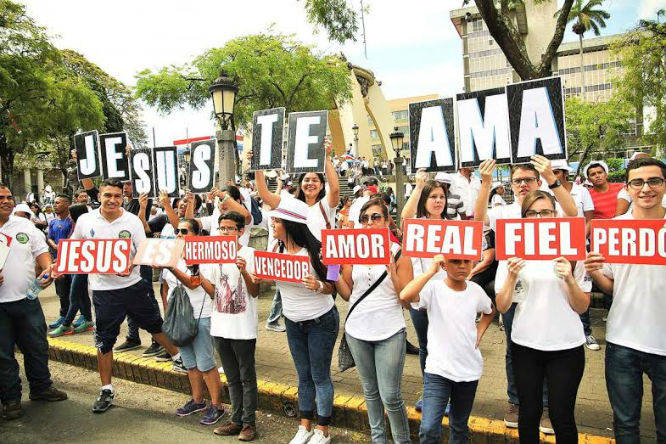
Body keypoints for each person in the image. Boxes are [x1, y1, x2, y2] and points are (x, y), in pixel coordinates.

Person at [474, 156, 577, 431]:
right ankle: (516, 400)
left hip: (551, 294)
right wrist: (485, 184)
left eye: (528, 179)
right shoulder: (504, 212)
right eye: (517, 180)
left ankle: (546, 405)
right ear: (511, 184)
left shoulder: (552, 205)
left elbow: (573, 213)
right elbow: (477, 220)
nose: (522, 184)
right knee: (515, 348)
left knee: (548, 347)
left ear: (537, 181)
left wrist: (553, 180)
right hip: (516, 291)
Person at [68, 178, 182, 413]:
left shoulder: (131, 221)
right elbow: (74, 247)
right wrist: (60, 266)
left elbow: (143, 250)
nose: (112, 200)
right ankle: (106, 389)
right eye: (107, 195)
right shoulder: (85, 220)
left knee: (156, 326)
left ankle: (181, 360)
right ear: (99, 195)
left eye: (117, 196)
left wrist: (131, 265)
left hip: (134, 286)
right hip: (103, 291)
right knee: (104, 340)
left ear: (123, 197)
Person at [495, 190, 589, 443]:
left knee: (561, 416)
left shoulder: (571, 248)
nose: (539, 218)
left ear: (555, 214)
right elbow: (502, 306)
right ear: (523, 217)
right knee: (529, 413)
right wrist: (512, 275)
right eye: (532, 213)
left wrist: (569, 278)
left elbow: (582, 306)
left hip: (566, 346)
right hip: (526, 345)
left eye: (545, 212)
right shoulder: (512, 251)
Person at [585, 157, 666, 443]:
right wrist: (594, 273)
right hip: (622, 343)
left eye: (653, 181)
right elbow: (611, 288)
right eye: (638, 182)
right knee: (626, 426)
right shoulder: (613, 229)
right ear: (628, 189)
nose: (646, 188)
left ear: (664, 186)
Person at [333, 197, 413, 444]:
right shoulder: (353, 251)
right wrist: (332, 269)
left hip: (389, 331)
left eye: (376, 217)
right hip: (358, 330)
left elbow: (408, 300)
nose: (369, 223)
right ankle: (378, 439)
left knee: (390, 396)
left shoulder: (399, 252)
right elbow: (347, 294)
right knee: (370, 392)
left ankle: (401, 441)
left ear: (387, 221)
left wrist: (392, 272)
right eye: (364, 219)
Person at [263, 198, 338, 444]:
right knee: (303, 376)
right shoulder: (275, 250)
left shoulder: (318, 250)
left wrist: (318, 285)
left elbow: (333, 287)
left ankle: (323, 430)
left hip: (320, 322)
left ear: (290, 224)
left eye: (276, 221)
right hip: (293, 322)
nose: (272, 225)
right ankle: (304, 425)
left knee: (320, 376)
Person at [400, 253, 495, 444]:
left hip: (468, 371)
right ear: (444, 265)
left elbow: (490, 310)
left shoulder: (476, 291)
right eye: (455, 261)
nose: (461, 266)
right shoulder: (434, 289)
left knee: (459, 426)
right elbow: (405, 296)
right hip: (438, 370)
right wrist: (429, 272)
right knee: (428, 428)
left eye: (466, 262)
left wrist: (480, 331)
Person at [0, 183, 68, 420]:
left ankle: (41, 388)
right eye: (1, 198)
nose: (7, 201)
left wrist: (48, 268)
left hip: (27, 300)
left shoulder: (24, 226)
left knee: (37, 347)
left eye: (9, 197)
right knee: (3, 355)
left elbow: (41, 251)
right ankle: (10, 399)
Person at [161, 218, 226, 426]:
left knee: (206, 363)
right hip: (178, 317)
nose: (179, 235)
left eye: (184, 231)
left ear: (197, 235)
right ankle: (198, 400)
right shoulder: (172, 255)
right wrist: (167, 311)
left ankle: (217, 405)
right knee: (190, 363)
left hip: (201, 315)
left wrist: (171, 268)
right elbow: (164, 287)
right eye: (177, 231)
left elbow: (193, 283)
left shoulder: (203, 258)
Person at [400, 169, 452, 411]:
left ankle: (448, 395)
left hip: (449, 297)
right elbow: (404, 218)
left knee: (446, 346)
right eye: (433, 197)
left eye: (441, 196)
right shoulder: (416, 226)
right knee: (426, 347)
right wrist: (419, 186)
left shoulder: (454, 227)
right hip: (422, 298)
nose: (438, 201)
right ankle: (430, 392)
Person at [208, 212, 260, 441]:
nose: (226, 232)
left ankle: (249, 423)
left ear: (241, 231)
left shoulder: (251, 254)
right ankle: (235, 419)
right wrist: (194, 273)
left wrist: (244, 271)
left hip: (243, 327)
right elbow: (213, 293)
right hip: (220, 325)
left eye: (230, 228)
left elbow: (256, 291)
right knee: (231, 377)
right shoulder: (214, 255)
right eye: (222, 228)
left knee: (247, 377)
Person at [547, 159, 599, 350]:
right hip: (552, 245)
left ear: (564, 173)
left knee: (578, 285)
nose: (554, 176)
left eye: (558, 172)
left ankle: (586, 332)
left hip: (576, 245)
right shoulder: (546, 191)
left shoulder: (581, 190)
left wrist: (577, 238)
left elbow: (588, 218)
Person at [48, 204, 95, 337]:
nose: (68, 216)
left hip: (81, 267)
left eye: (70, 213)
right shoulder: (77, 227)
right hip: (74, 265)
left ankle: (66, 325)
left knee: (74, 296)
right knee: (82, 296)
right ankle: (88, 320)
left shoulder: (83, 228)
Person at [45, 194, 74, 331]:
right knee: (61, 291)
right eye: (54, 203)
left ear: (66, 204)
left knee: (72, 291)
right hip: (57, 260)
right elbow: (49, 237)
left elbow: (72, 238)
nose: (55, 205)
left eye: (58, 202)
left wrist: (62, 247)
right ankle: (63, 315)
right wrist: (54, 245)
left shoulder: (71, 222)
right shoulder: (52, 222)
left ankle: (73, 316)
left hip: (69, 261)